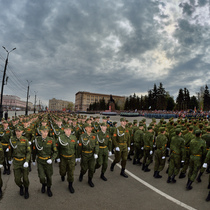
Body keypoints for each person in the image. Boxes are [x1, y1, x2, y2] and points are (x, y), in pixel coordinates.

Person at [33, 125, 58, 197]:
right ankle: (43, 185)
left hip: (48, 161)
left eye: (47, 132)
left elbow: (55, 152)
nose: (45, 133)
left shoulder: (51, 140)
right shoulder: (37, 140)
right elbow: (34, 151)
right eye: (44, 132)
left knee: (49, 176)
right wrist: (34, 160)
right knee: (41, 177)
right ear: (41, 132)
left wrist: (52, 159)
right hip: (40, 161)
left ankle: (49, 188)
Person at [10, 125, 31, 199]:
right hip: (16, 162)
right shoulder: (12, 139)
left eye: (19, 131)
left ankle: (26, 190)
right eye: (16, 131)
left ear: (22, 131)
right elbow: (11, 150)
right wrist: (10, 159)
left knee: (25, 178)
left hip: (23, 161)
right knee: (17, 180)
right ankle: (21, 187)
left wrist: (27, 161)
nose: (17, 133)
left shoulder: (25, 140)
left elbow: (28, 152)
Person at [57, 124, 77, 193]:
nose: (68, 131)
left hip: (71, 157)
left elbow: (76, 148)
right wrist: (57, 157)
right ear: (64, 130)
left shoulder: (74, 138)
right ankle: (62, 175)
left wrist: (77, 157)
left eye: (70, 130)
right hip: (63, 158)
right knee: (62, 171)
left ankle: (70, 185)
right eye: (67, 130)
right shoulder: (60, 137)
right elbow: (57, 148)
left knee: (71, 172)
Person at [78, 123, 99, 187]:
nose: (90, 128)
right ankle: (81, 174)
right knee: (84, 168)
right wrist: (78, 156)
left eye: (91, 127)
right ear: (85, 128)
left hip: (92, 154)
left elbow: (97, 145)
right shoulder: (82, 136)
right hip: (84, 154)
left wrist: (96, 153)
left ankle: (90, 180)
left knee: (92, 168)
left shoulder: (94, 135)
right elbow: (80, 147)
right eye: (89, 127)